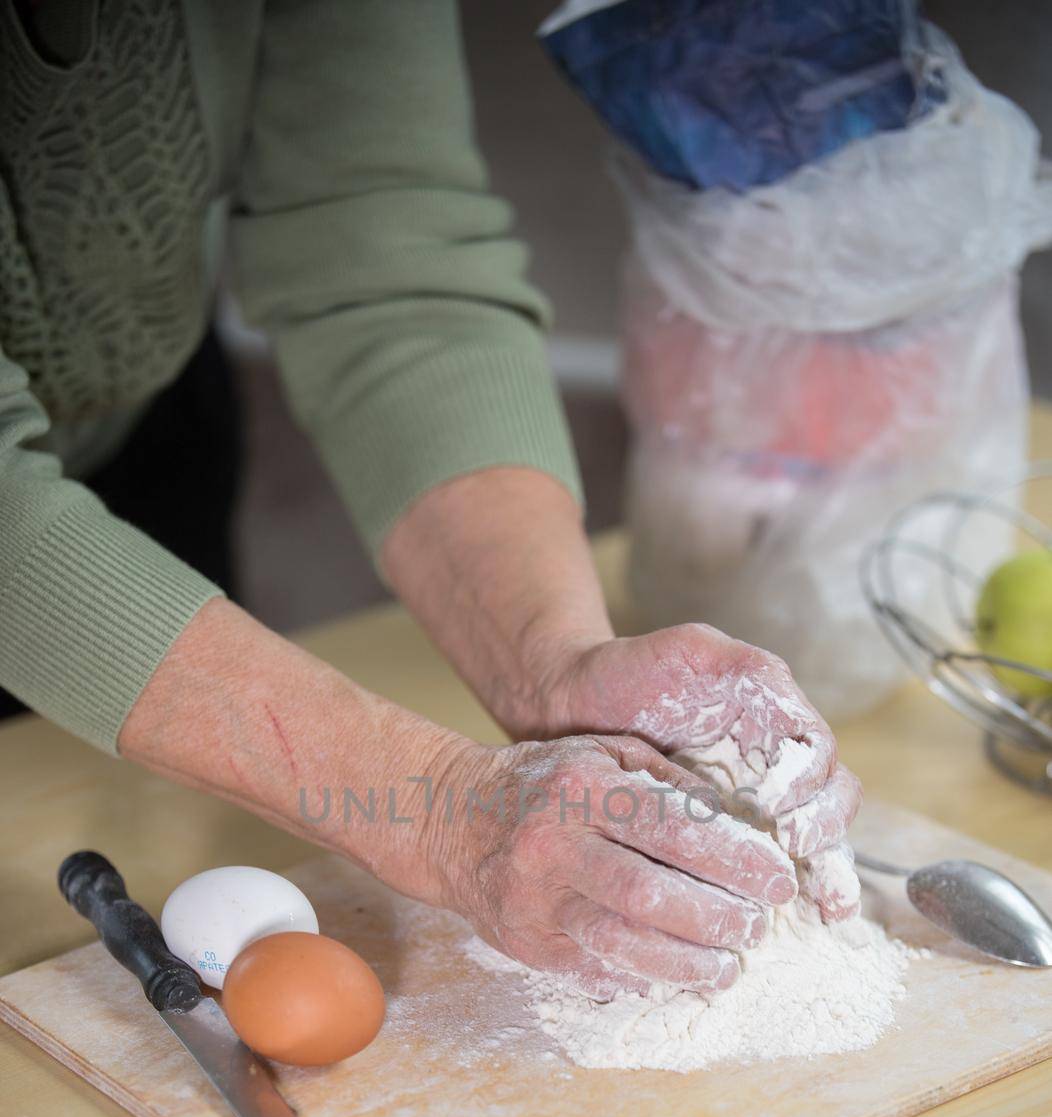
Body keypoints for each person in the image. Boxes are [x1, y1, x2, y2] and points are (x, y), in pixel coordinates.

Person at [0, 0, 861, 998]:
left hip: (139, 419)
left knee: (98, 807)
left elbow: (384, 262)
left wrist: (553, 664)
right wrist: (443, 811)